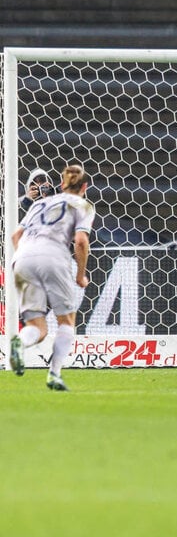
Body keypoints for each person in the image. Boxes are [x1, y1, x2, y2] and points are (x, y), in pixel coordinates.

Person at [8, 164, 95, 391]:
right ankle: (54, 374)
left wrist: (23, 261)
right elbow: (81, 242)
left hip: (23, 257)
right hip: (54, 256)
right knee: (65, 321)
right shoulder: (82, 205)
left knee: (37, 327)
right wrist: (80, 275)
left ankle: (20, 341)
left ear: (61, 184)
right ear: (84, 186)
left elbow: (16, 235)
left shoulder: (41, 204)